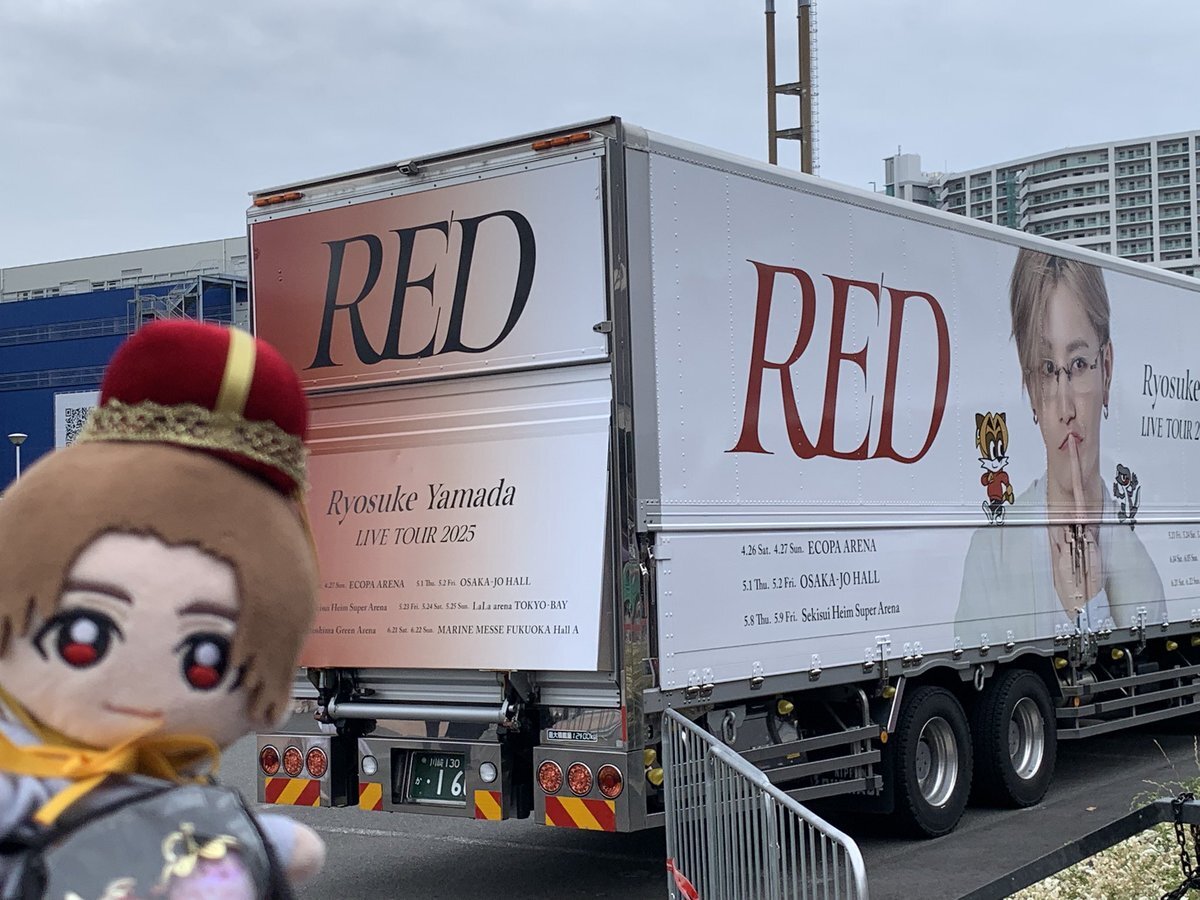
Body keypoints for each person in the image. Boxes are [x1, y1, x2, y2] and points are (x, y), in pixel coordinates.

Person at [0, 320, 325, 897]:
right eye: (83, 635)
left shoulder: (188, 800)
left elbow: (284, 851)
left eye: (205, 659)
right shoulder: (16, 783)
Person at [956, 249, 1165, 643]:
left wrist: (1092, 605)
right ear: (1031, 390)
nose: (1066, 407)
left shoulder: (1140, 573)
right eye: (1047, 370)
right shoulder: (990, 555)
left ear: (1106, 369)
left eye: (1079, 363)